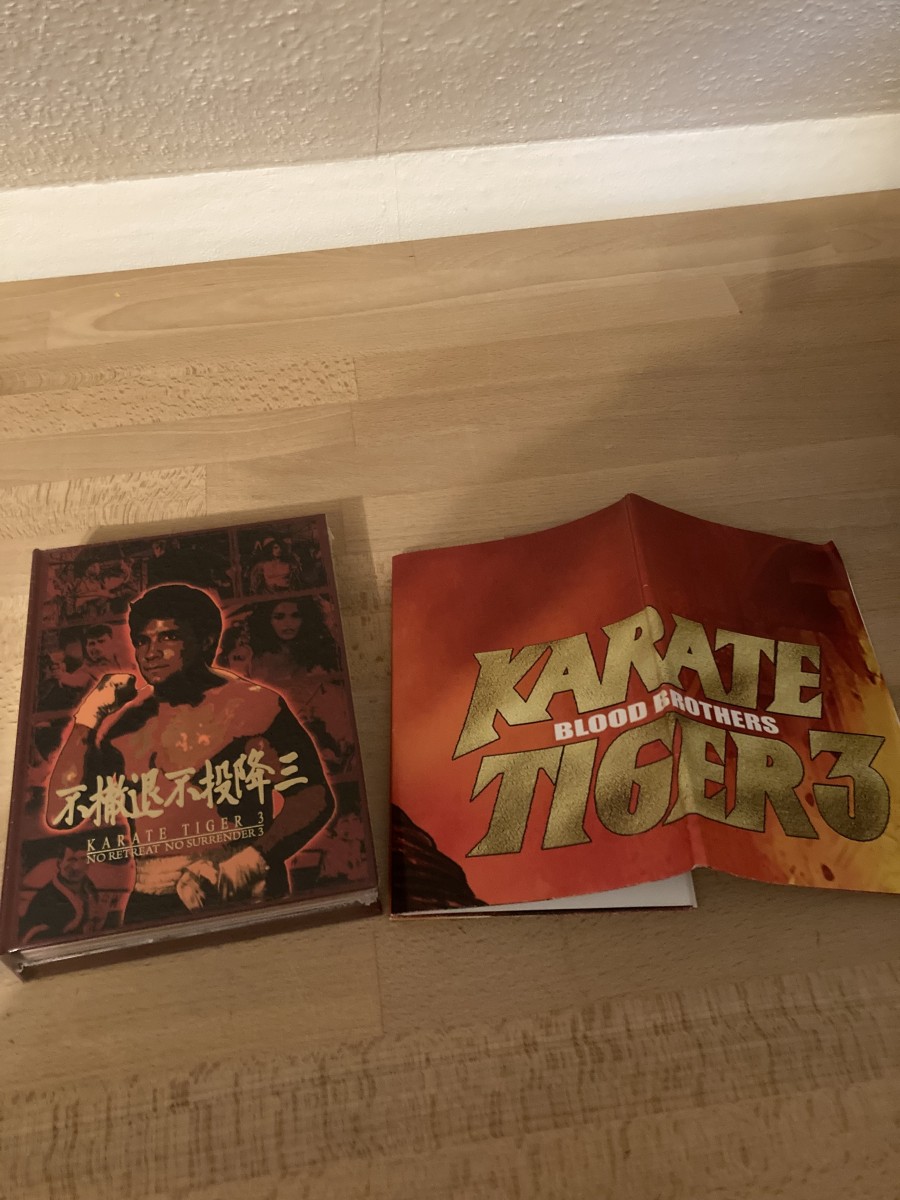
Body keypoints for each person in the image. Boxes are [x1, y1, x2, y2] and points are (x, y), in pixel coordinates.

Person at [48, 584, 335, 924]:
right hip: (151, 899)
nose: (151, 653)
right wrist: (88, 717)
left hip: (242, 888)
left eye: (168, 637)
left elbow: (314, 796)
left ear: (206, 640)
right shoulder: (122, 724)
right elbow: (62, 813)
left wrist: (252, 860)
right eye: (142, 641)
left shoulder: (253, 705)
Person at [248, 598, 351, 773]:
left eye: (295, 616)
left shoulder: (321, 657)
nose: (288, 623)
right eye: (279, 617)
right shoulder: (255, 662)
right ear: (267, 620)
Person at [18, 841, 104, 945]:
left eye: (83, 859)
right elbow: (32, 938)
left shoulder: (91, 890)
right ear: (59, 863)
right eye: (71, 860)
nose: (76, 867)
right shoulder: (45, 900)